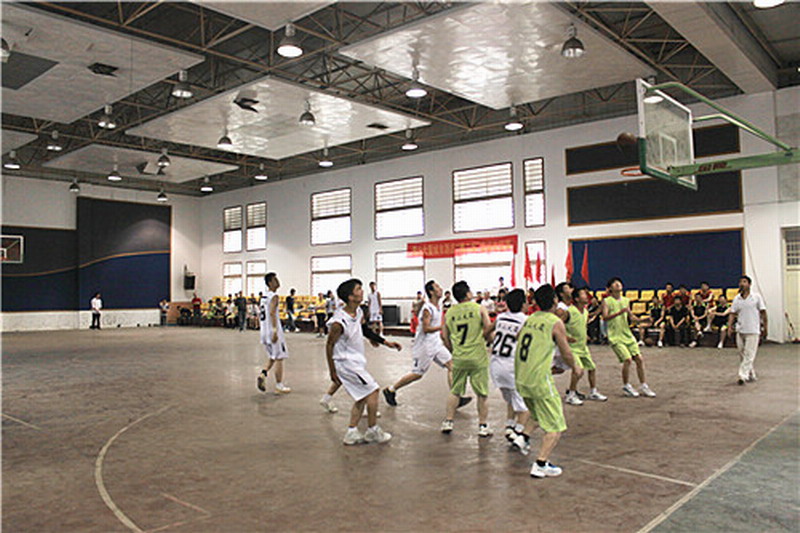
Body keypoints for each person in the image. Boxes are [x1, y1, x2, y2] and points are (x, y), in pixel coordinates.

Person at [514, 284, 583, 478]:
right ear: (555, 301)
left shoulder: (530, 319)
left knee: (538, 414)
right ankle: (541, 464)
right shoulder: (555, 322)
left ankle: (523, 437)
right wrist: (575, 367)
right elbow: (566, 353)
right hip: (539, 380)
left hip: (521, 378)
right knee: (555, 426)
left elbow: (520, 338)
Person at [326, 278, 401, 445]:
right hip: (345, 364)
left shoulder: (358, 311)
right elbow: (329, 345)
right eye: (358, 289)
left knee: (361, 397)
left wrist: (385, 342)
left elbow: (364, 329)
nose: (362, 292)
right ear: (350, 297)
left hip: (355, 362)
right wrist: (332, 371)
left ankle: (351, 432)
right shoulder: (339, 321)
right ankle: (372, 430)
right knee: (373, 390)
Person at [383, 280, 472, 409]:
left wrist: (446, 342)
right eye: (437, 287)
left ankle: (456, 398)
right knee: (417, 374)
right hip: (424, 346)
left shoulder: (438, 307)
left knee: (452, 366)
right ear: (431, 291)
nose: (440, 289)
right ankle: (391, 390)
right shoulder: (427, 309)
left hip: (436, 344)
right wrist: (442, 327)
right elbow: (426, 329)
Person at [441, 281, 494, 437]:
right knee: (482, 393)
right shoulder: (479, 309)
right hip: (478, 357)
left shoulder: (449, 313)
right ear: (468, 293)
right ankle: (483, 426)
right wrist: (490, 341)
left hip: (459, 357)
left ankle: (448, 421)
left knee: (455, 390)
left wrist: (453, 350)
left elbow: (444, 336)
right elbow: (488, 330)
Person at [488, 288, 531, 451]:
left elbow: (487, 332)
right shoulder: (525, 320)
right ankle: (519, 433)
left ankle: (509, 426)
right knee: (526, 406)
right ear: (523, 304)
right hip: (512, 366)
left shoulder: (500, 317)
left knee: (512, 400)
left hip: (496, 365)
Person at [601, 277, 656, 398]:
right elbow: (604, 317)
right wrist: (619, 313)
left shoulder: (626, 300)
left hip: (627, 335)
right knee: (627, 360)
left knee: (639, 359)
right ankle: (626, 385)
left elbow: (632, 318)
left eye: (619, 282)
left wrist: (644, 320)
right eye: (614, 283)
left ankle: (644, 385)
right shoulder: (607, 301)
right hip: (615, 336)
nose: (618, 284)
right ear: (610, 288)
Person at [564, 287, 607, 404]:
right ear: (577, 299)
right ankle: (571, 394)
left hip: (583, 347)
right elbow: (558, 325)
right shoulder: (569, 312)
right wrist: (566, 337)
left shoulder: (585, 311)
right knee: (578, 371)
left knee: (592, 368)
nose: (586, 296)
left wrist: (585, 335)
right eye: (583, 294)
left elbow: (582, 324)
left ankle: (593, 392)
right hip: (572, 348)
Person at [728, 275, 767, 385]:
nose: (742, 284)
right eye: (740, 282)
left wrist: (765, 327)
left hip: (753, 330)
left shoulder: (756, 297)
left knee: (749, 354)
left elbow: (763, 312)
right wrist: (729, 327)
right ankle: (751, 374)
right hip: (740, 330)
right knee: (742, 354)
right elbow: (732, 313)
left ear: (749, 284)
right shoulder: (737, 299)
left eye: (744, 282)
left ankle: (742, 375)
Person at [256, 273, 292, 394]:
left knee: (273, 356)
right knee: (280, 358)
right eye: (275, 280)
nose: (278, 281)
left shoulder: (263, 297)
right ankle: (279, 385)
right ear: (270, 283)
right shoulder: (274, 296)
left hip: (264, 331)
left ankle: (263, 373)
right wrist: (275, 331)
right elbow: (272, 313)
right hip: (272, 331)